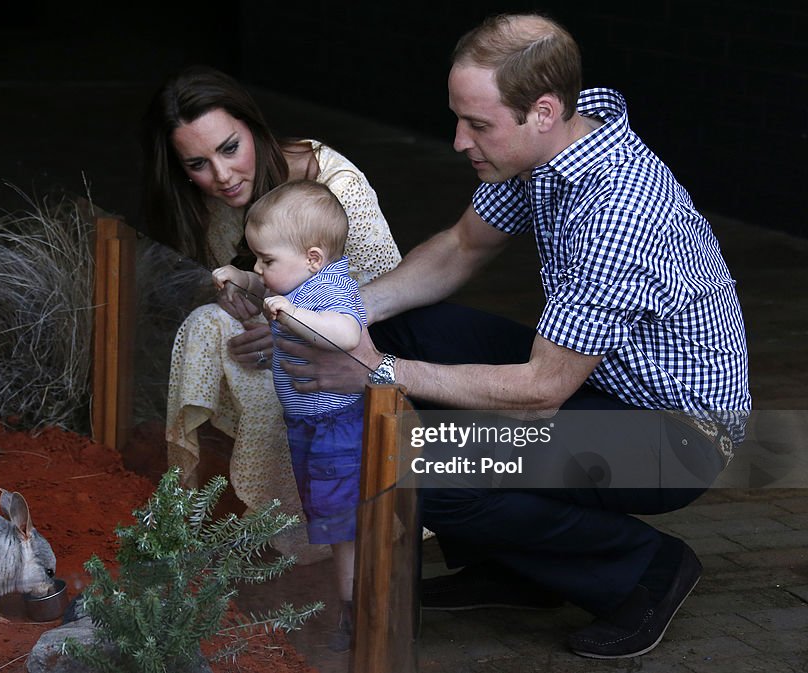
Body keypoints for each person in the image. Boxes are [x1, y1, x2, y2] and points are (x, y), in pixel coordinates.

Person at [278, 12, 751, 659]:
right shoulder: (550, 153)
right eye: (458, 118)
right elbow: (459, 248)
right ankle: (524, 565)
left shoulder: (617, 210)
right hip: (600, 380)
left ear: (544, 111)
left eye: (477, 124)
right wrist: (335, 319)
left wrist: (377, 369)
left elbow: (542, 389)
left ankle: (645, 567)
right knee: (401, 323)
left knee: (424, 469)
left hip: (677, 434)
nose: (458, 140)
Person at [140, 65, 401, 562]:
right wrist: (242, 304)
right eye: (196, 163)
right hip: (283, 351)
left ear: (254, 127)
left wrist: (288, 328)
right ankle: (186, 507)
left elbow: (381, 308)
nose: (220, 176)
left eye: (230, 148)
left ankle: (309, 538)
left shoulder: (335, 187)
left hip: (355, 366)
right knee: (203, 325)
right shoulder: (214, 199)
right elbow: (259, 288)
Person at [213, 179, 366, 652]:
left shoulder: (333, 288)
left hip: (337, 425)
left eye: (265, 259)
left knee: (342, 526)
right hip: (307, 424)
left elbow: (345, 332)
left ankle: (355, 615)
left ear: (313, 258)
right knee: (325, 514)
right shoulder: (299, 279)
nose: (259, 268)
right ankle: (350, 602)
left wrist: (290, 315)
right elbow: (271, 286)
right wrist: (242, 280)